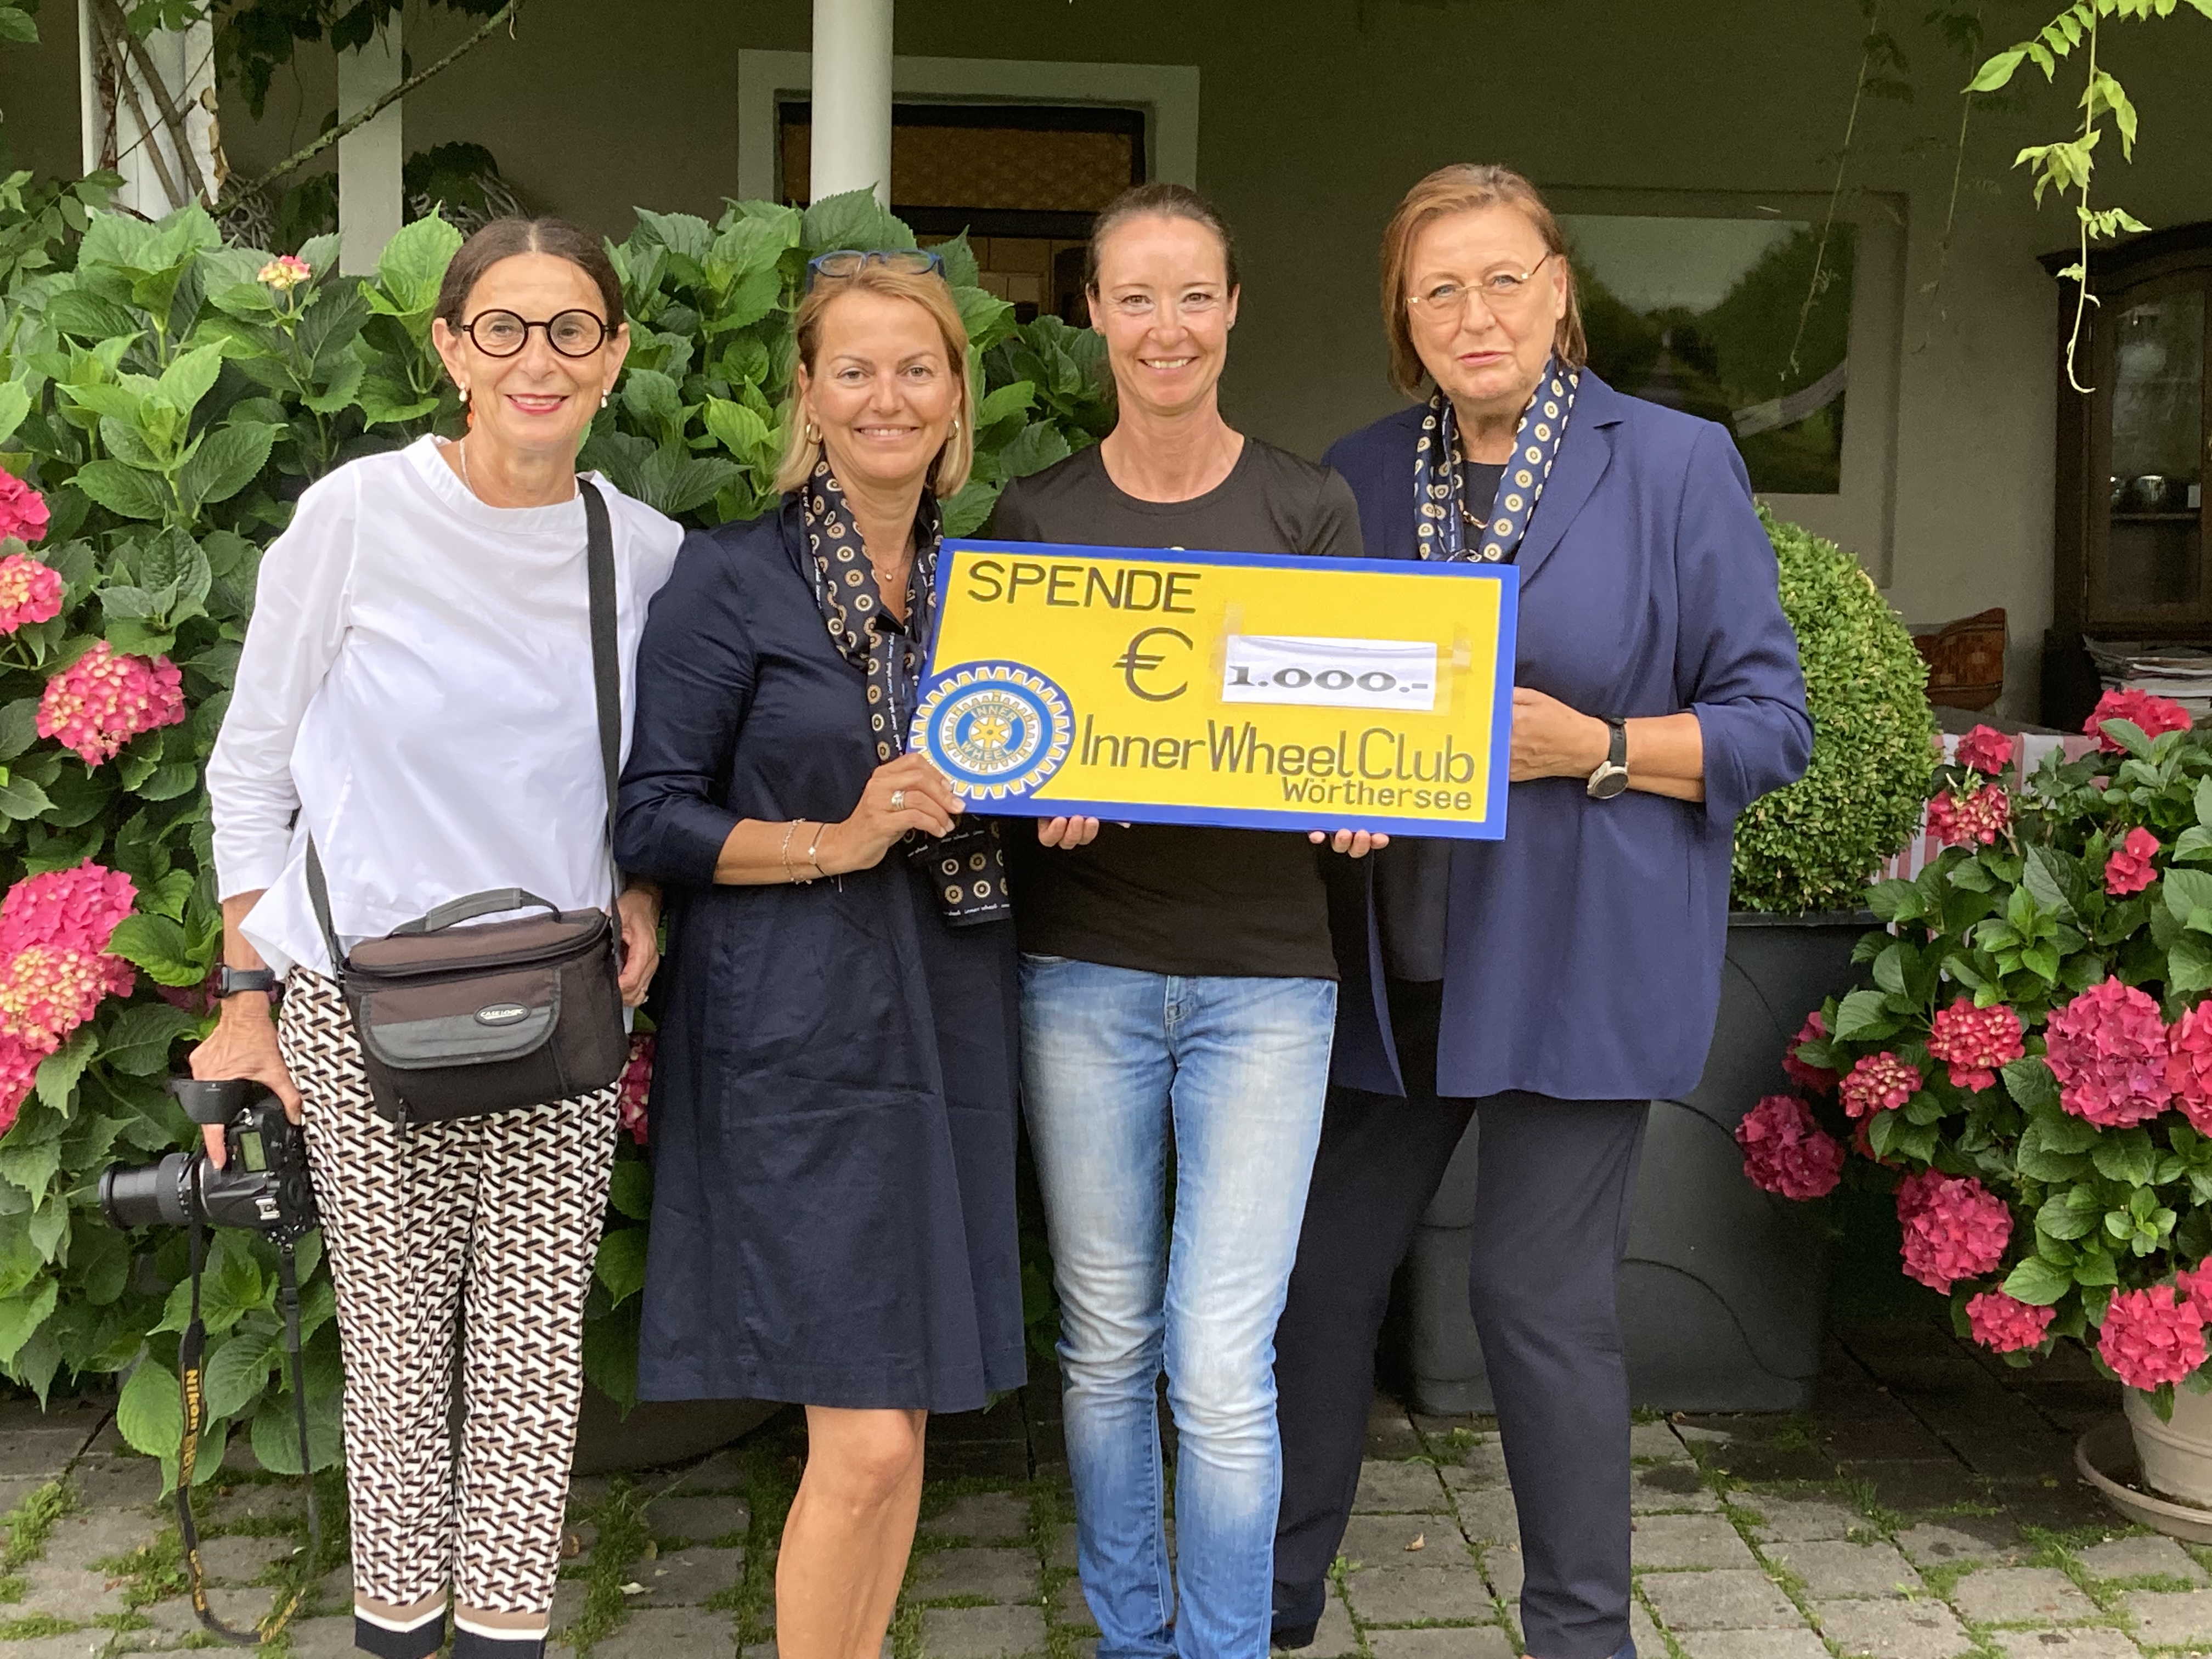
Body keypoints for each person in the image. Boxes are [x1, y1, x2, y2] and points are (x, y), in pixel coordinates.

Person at [1268, 162, 1813, 1659]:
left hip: (1578, 961)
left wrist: (1602, 748)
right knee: (1316, 1284)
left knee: (1533, 1300)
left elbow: (1772, 723)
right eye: (1437, 289)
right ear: (1405, 319)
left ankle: (1582, 1636)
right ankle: (1269, 1606)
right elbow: (1318, 695)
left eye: (1503, 279)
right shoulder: (1360, 475)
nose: (1475, 314)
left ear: (1560, 291)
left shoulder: (1676, 463)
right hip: (1399, 962)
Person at [198, 218, 679, 1659]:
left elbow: (650, 774)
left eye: (572, 329)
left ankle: (506, 1635)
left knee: (532, 1359)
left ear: (615, 355)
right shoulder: (356, 516)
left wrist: (644, 890)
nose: (540, 359)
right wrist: (244, 1000)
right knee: (397, 1353)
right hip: (358, 1001)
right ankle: (398, 1631)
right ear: (450, 348)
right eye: (505, 328)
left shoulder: (640, 551)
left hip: (558, 1000)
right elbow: (252, 767)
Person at [988, 183, 1381, 1659]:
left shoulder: (1308, 508)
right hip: (1083, 973)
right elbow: (993, 747)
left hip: (1268, 983)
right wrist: (1033, 796)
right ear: (1092, 312)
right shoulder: (1038, 518)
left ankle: (1223, 1645)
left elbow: (1354, 719)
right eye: (1137, 297)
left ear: (1234, 310)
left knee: (1220, 1360)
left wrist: (1365, 796)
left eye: (1195, 295)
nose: (1168, 327)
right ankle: (1129, 1631)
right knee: (1105, 1344)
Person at [614, 248, 1023, 1659]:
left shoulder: (997, 588)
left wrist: (1067, 802)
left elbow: (1023, 771)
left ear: (957, 394)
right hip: (793, 1027)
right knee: (864, 1438)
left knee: (905, 1420)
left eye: (917, 368)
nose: (885, 397)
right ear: (808, 393)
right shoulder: (731, 577)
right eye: (854, 369)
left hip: (948, 1002)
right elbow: (651, 815)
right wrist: (834, 840)